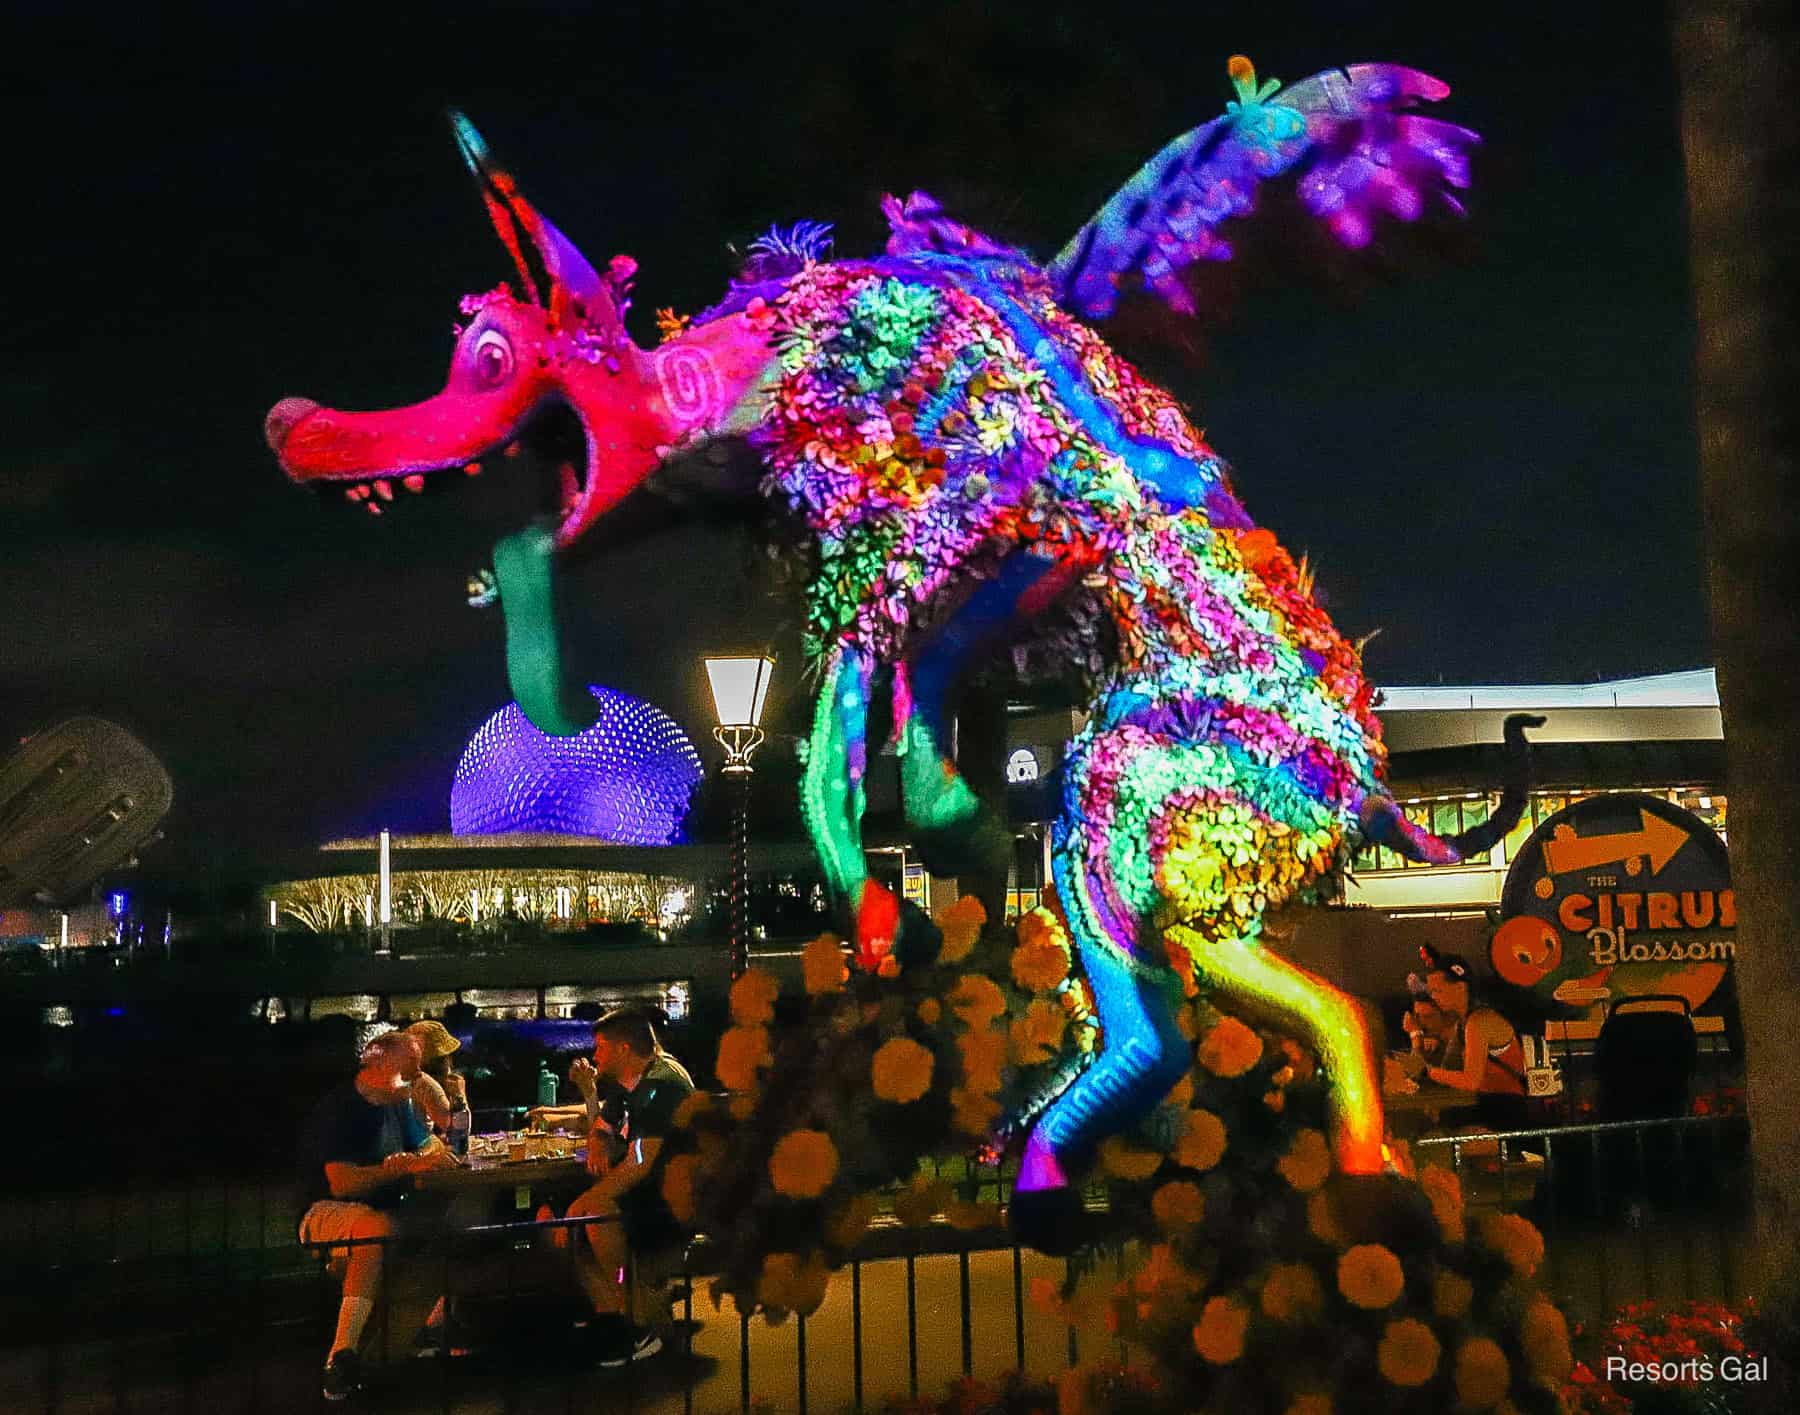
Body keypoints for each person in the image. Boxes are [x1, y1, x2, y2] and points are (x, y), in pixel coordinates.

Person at [297, 1029, 459, 1401]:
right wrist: (395, 1169)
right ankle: (340, 1358)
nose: (418, 1079)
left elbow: (428, 1142)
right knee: (375, 1230)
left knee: (446, 1225)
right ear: (376, 1059)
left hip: (385, 1210)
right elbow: (341, 1183)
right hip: (325, 1213)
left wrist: (425, 1155)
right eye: (411, 1070)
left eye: (420, 1071)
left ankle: (417, 1329)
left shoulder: (398, 1103)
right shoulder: (340, 1108)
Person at [539, 1009, 694, 1366]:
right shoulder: (631, 1081)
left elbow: (641, 1161)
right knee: (551, 1215)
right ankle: (611, 1312)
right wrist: (596, 1141)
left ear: (623, 1049)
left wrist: (589, 1199)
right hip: (645, 1191)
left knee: (592, 1214)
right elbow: (604, 1127)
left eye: (601, 1047)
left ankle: (638, 1324)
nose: (595, 1056)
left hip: (669, 1199)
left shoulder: (661, 1084)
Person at [1417, 944, 1530, 1131]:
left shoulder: (1478, 1022)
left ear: (1460, 988)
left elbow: (1471, 1080)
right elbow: (1450, 1066)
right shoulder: (1464, 1022)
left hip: (1504, 1110)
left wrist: (1429, 1072)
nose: (1434, 997)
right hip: (1493, 1105)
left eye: (1438, 990)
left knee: (1438, 1128)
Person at [405, 1019, 468, 1137]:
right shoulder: (424, 1082)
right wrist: (459, 1095)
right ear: (443, 1061)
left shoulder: (399, 1079)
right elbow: (459, 1134)